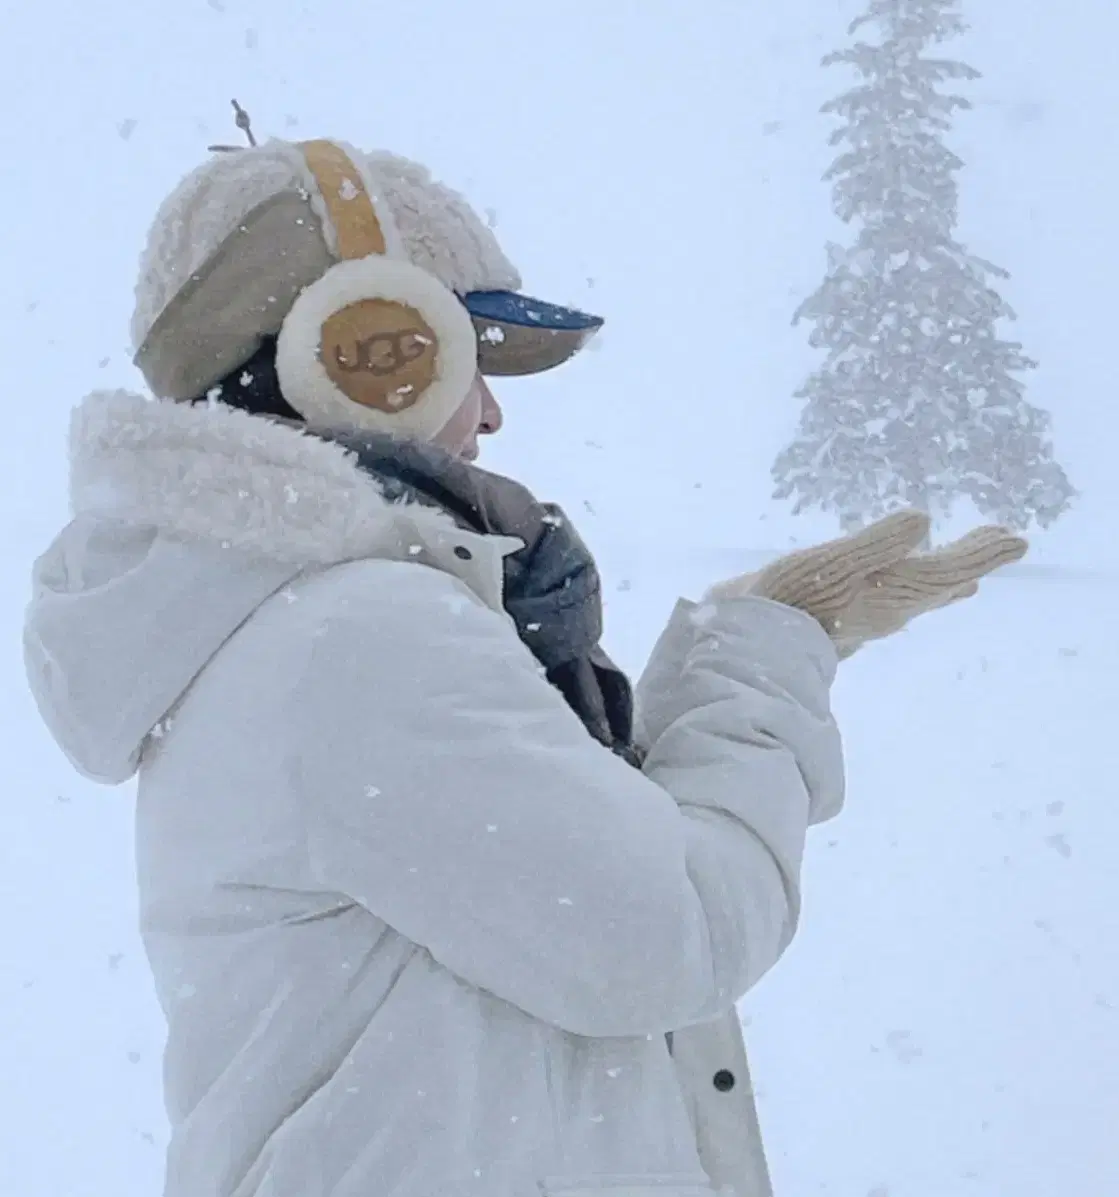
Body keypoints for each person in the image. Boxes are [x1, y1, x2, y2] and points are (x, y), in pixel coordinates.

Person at [23, 134, 1026, 1197]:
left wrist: (757, 641)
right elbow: (665, 936)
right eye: (469, 357)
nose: (492, 413)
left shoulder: (271, 623)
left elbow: (565, 879)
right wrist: (762, 662)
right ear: (364, 352)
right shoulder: (355, 638)